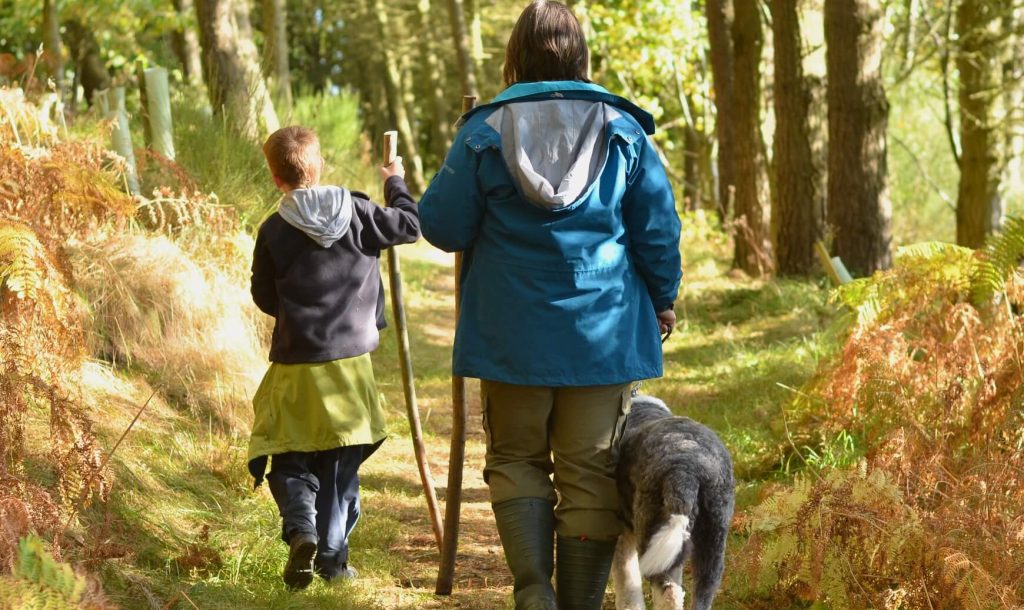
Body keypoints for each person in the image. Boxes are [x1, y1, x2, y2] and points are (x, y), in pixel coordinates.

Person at [418, 2, 682, 608]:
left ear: (515, 57)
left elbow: (442, 225)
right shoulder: (625, 131)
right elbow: (658, 232)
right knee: (589, 473)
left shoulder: (484, 133)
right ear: (581, 57)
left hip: (510, 336)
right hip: (603, 333)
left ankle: (534, 593)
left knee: (516, 459)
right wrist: (662, 298)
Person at [247, 126, 419, 590]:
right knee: (340, 466)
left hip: (296, 365)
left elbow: (263, 293)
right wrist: (394, 180)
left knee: (288, 456)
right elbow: (409, 224)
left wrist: (295, 317)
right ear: (319, 164)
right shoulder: (360, 212)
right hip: (350, 366)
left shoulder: (273, 229)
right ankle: (332, 561)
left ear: (275, 177)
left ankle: (301, 527)